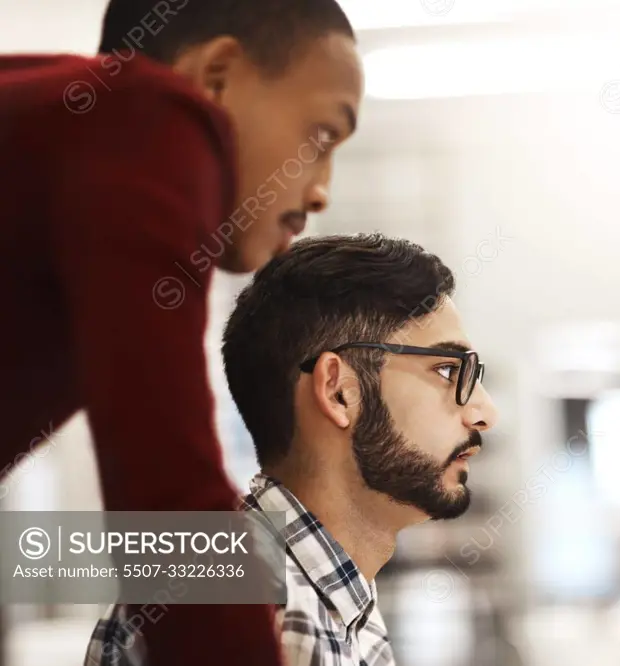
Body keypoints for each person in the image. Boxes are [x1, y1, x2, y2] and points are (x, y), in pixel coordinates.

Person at [0, 1, 362, 665]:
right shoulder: (149, 116)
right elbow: (167, 499)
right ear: (216, 78)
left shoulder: (64, 126)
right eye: (321, 136)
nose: (322, 193)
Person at [86, 234, 499, 665]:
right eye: (448, 370)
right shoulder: (244, 610)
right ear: (340, 391)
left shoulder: (337, 605)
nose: (485, 412)